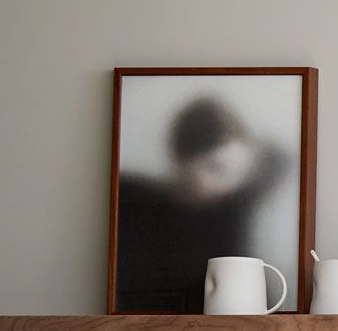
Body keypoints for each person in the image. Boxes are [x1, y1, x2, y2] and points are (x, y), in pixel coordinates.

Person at [115, 95, 288, 311]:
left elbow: (277, 158)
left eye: (237, 174)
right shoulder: (134, 203)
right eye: (217, 168)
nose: (228, 185)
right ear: (184, 162)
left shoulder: (230, 210)